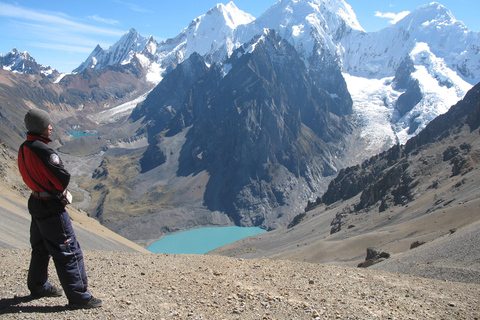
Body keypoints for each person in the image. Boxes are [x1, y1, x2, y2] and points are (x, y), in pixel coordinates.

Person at [17, 108, 102, 309]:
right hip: (50, 206)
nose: (51, 127)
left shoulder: (24, 147)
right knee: (68, 250)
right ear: (40, 128)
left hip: (35, 201)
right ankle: (79, 297)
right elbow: (61, 179)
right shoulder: (44, 150)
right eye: (47, 125)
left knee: (40, 247)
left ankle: (38, 286)